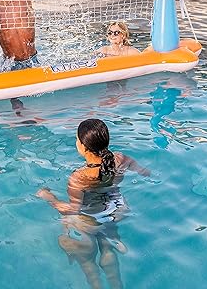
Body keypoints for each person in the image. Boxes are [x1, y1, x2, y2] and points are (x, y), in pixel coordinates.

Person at [37, 118, 150, 289]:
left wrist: (49, 197)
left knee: (85, 257)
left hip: (92, 218)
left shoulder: (79, 177)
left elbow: (73, 209)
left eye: (77, 139)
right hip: (116, 210)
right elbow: (143, 172)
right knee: (107, 249)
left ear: (83, 146)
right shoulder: (119, 159)